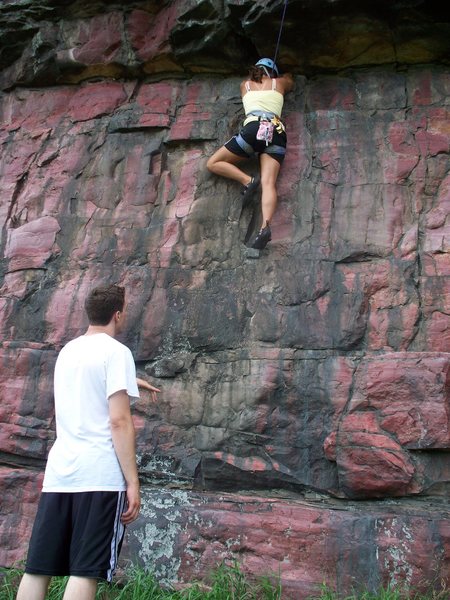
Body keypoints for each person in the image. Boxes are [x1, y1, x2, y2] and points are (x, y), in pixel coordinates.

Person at [16, 284, 160, 600]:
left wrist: (128, 377)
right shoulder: (117, 353)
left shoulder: (69, 352)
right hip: (100, 478)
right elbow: (119, 421)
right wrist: (133, 481)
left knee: (37, 568)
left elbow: (87, 380)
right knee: (85, 571)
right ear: (118, 315)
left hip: (60, 476)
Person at [207, 58, 294, 250]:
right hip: (276, 132)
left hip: (253, 128)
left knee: (213, 163)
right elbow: (290, 81)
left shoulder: (244, 85)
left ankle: (247, 180)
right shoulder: (279, 83)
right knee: (269, 183)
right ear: (272, 73)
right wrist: (284, 76)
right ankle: (265, 227)